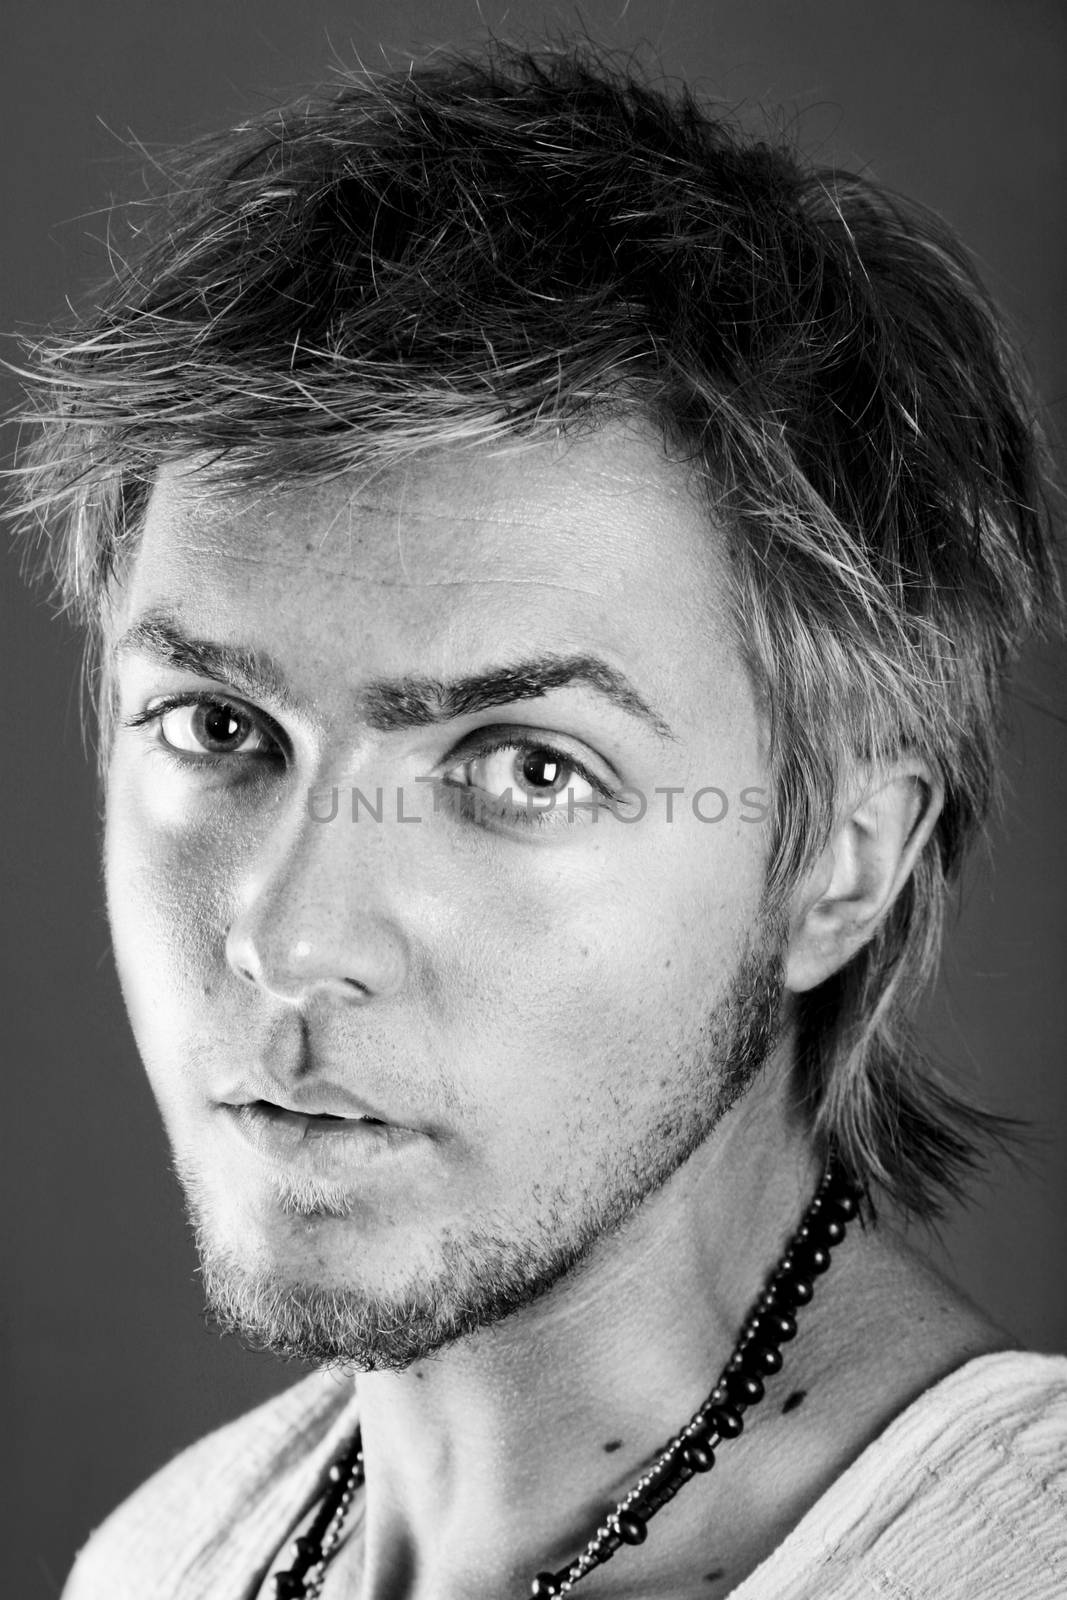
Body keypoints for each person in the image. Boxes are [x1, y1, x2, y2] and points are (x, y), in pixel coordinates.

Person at [10, 37, 1066, 1600]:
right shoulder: (163, 1556)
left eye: (525, 768)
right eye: (219, 728)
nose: (288, 941)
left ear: (841, 863)